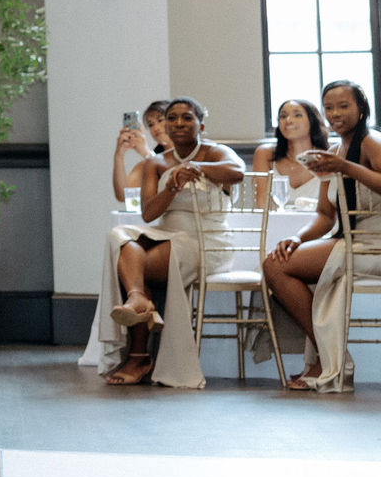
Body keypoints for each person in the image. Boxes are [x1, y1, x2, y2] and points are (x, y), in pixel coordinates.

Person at [94, 96, 245, 388]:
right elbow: (149, 213)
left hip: (206, 240)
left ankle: (138, 351)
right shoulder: (156, 163)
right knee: (119, 236)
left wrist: (198, 169)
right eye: (171, 118)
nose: (177, 123)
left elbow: (237, 172)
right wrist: (172, 187)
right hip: (166, 232)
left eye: (186, 117)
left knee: (134, 264)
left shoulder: (216, 152)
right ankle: (138, 297)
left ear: (200, 123)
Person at [263, 79, 380, 391]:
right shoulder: (331, 151)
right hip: (347, 240)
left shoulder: (372, 143)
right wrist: (298, 238)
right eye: (329, 107)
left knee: (276, 267)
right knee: (276, 261)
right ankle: (332, 355)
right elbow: (324, 215)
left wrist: (346, 167)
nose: (335, 113)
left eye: (344, 106)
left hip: (374, 243)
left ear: (361, 108)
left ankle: (329, 358)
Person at [255, 98, 330, 206]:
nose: (288, 120)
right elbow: (262, 204)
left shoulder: (329, 155)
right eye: (283, 116)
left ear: (312, 120)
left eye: (297, 115)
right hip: (276, 222)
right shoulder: (265, 153)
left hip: (320, 221)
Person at [112, 100, 171, 204]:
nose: (156, 128)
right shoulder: (148, 162)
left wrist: (146, 153)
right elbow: (123, 195)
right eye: (151, 124)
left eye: (160, 120)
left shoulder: (190, 152)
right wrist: (119, 156)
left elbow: (173, 177)